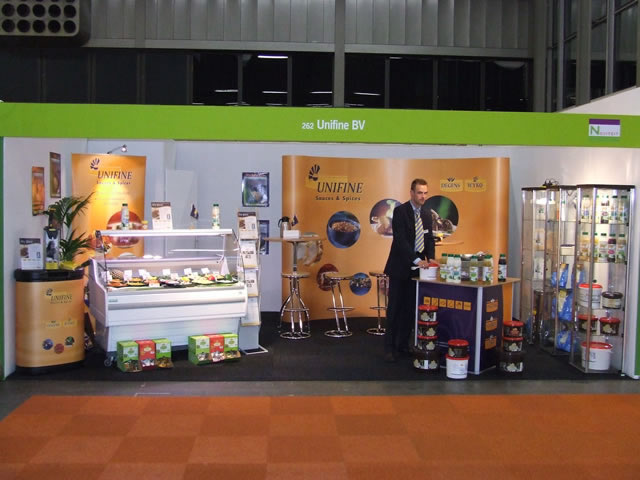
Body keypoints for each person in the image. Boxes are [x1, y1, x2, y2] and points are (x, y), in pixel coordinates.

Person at [383, 178, 435, 362]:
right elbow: (401, 240)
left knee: (409, 309)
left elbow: (429, 239)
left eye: (425, 193)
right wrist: (417, 260)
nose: (423, 196)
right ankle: (389, 348)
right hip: (399, 268)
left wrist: (431, 258)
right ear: (412, 193)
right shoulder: (400, 211)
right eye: (420, 193)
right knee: (395, 309)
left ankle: (403, 345)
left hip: (417, 271)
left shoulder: (427, 214)